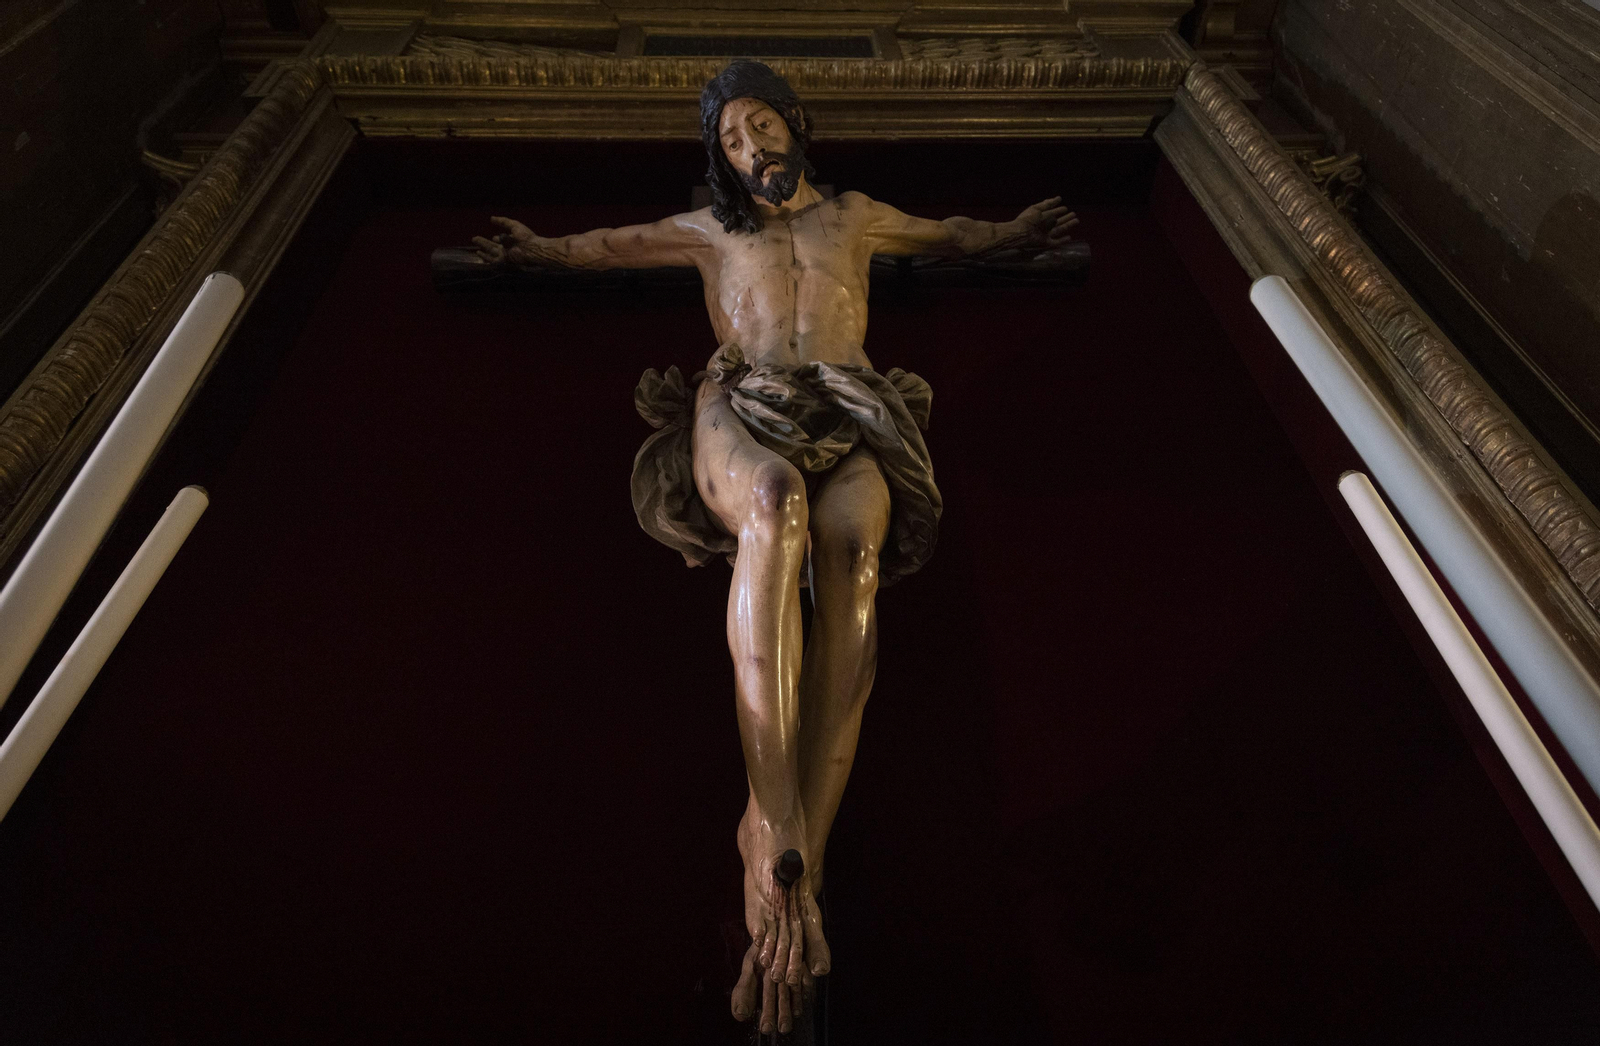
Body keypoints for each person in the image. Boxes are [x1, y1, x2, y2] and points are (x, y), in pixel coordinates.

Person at [473, 59, 1078, 1035]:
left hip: (852, 405)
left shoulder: (855, 217)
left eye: (760, 126)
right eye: (730, 139)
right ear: (720, 160)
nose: (749, 147)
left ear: (796, 126)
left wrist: (1013, 234)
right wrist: (536, 251)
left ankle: (794, 856)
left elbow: (953, 235)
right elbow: (605, 246)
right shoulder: (710, 232)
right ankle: (778, 813)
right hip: (746, 406)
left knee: (853, 554)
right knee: (774, 501)